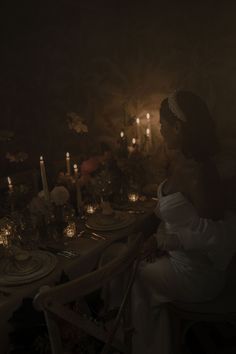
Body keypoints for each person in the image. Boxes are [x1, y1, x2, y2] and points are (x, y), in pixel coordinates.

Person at [131, 90, 236, 354]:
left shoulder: (200, 172)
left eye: (164, 123)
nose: (160, 128)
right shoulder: (183, 162)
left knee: (129, 270)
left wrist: (165, 241)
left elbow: (219, 232)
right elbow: (178, 212)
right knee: (124, 257)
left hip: (197, 275)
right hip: (179, 259)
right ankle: (154, 338)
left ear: (178, 127)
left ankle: (146, 345)